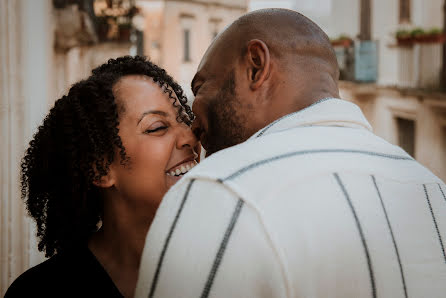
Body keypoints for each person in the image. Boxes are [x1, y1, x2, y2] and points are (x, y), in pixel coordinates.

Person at [135, 9, 446, 298]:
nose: (192, 116)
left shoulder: (218, 191)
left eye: (200, 87)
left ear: (255, 66)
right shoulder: (435, 191)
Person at [5, 56, 199, 298]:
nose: (190, 137)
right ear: (100, 168)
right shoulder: (38, 293)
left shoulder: (229, 270)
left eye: (185, 119)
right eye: (157, 127)